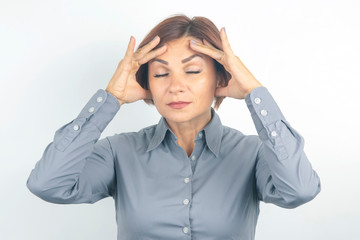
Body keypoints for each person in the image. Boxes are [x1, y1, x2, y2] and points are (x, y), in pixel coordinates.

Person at [26, 14, 321, 239]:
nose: (176, 86)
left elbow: (300, 190)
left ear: (221, 78)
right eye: (161, 74)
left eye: (192, 71)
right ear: (147, 84)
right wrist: (110, 99)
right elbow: (48, 183)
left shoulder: (252, 153)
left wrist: (255, 93)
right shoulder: (119, 152)